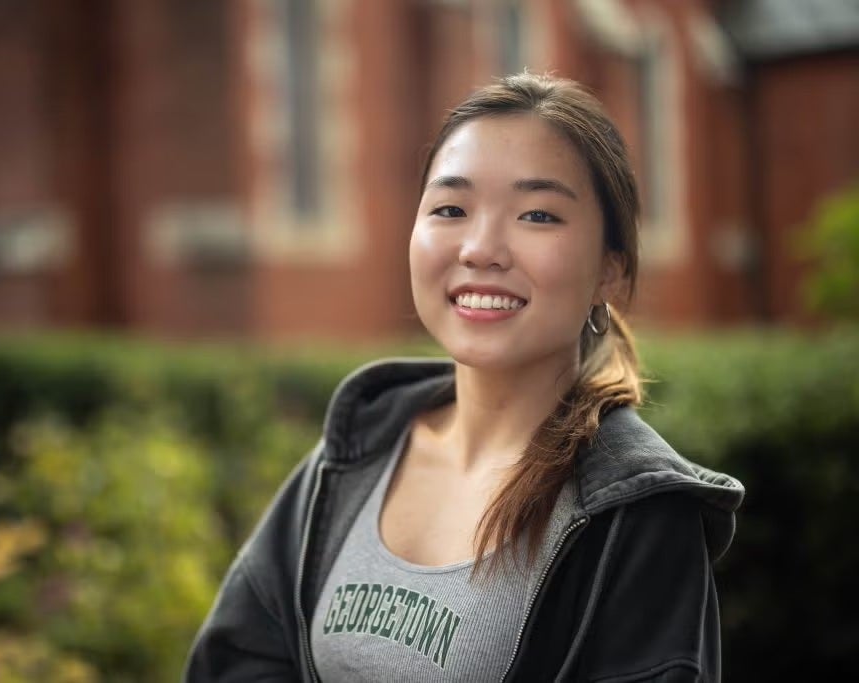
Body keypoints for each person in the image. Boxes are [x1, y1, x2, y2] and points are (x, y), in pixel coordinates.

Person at [184, 72, 745, 682]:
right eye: (451, 208)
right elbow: (238, 661)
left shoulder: (635, 515)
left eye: (537, 214)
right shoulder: (358, 449)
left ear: (610, 270)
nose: (480, 248)